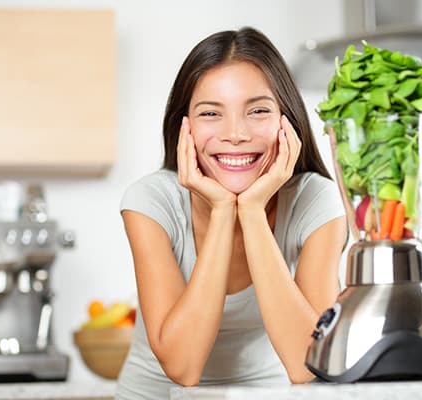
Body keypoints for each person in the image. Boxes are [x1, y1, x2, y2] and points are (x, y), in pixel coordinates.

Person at [115, 27, 347, 399]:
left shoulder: (316, 202)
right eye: (211, 113)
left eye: (257, 111)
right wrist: (224, 211)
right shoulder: (151, 202)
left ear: (286, 122)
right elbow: (183, 367)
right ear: (184, 128)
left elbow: (309, 364)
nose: (235, 134)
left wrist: (252, 212)